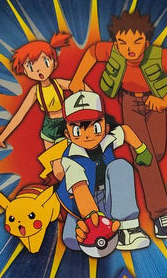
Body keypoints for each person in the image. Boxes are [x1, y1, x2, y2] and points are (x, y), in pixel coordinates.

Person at [69, 10, 167, 238]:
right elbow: (92, 52)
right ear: (116, 43)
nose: (129, 48)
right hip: (129, 104)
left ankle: (151, 185)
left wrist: (164, 101)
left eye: (136, 42)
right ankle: (162, 216)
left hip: (155, 103)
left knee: (155, 154)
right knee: (145, 156)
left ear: (146, 43)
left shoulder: (160, 56)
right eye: (122, 42)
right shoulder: (113, 51)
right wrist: (77, 78)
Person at [56, 91, 152, 252]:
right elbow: (80, 190)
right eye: (78, 130)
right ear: (67, 134)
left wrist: (141, 149)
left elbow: (125, 131)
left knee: (119, 166)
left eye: (95, 127)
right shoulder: (71, 159)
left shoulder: (107, 139)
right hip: (81, 203)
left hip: (110, 198)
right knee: (73, 241)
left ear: (106, 127)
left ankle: (128, 229)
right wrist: (94, 220)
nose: (87, 135)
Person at [0, 33, 72, 160]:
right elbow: (20, 114)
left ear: (54, 63)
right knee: (53, 163)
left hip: (65, 124)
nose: (39, 70)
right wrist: (2, 137)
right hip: (48, 128)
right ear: (25, 71)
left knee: (69, 159)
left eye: (45, 62)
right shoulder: (35, 91)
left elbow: (79, 85)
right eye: (30, 66)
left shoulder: (59, 83)